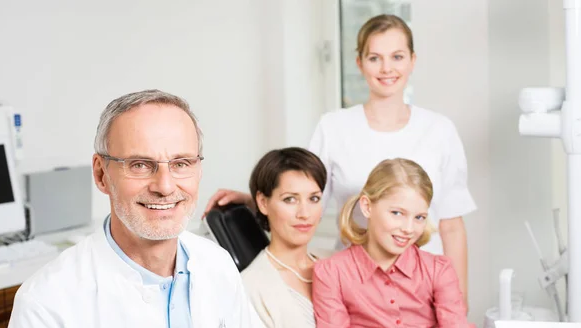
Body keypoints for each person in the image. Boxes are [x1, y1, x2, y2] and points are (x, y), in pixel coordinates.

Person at [0, 89, 290, 328]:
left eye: (181, 163)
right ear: (101, 174)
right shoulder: (46, 303)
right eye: (140, 165)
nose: (165, 186)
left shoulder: (216, 265)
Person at [203, 14, 475, 305]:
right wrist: (256, 201)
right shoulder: (334, 127)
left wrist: (458, 303)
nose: (386, 68)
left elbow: (451, 226)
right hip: (357, 285)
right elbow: (308, 194)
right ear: (359, 63)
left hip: (424, 287)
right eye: (375, 58)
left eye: (397, 56)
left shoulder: (439, 130)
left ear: (412, 60)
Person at [312, 158, 503, 328]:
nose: (408, 228)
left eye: (419, 217)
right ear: (367, 206)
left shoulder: (438, 268)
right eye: (397, 213)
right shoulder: (332, 273)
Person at [241, 147, 328, 328]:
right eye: (290, 199)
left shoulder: (336, 264)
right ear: (263, 202)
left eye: (314, 198)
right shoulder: (252, 287)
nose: (305, 213)